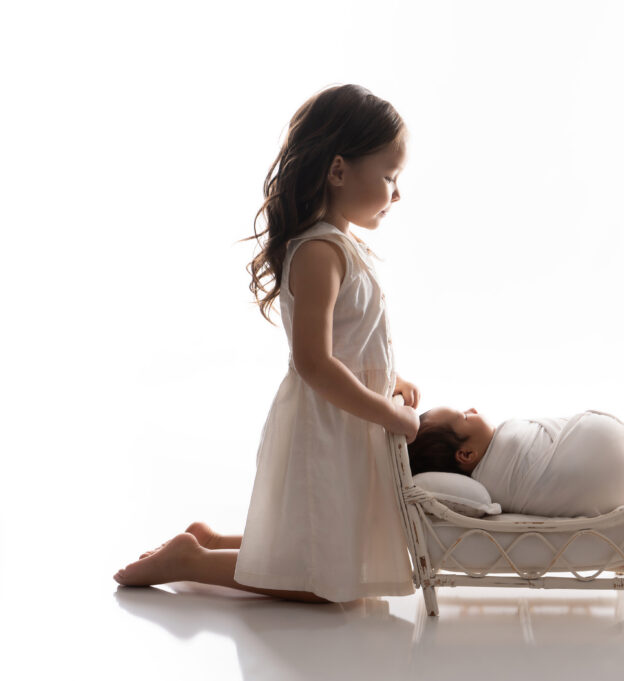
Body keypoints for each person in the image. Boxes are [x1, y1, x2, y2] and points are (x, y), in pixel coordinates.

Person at [114, 85, 421, 603]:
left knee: (324, 551)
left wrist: (390, 381)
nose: (397, 193)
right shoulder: (320, 252)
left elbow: (353, 338)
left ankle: (208, 541)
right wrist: (386, 413)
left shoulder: (343, 245)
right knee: (319, 580)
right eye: (389, 177)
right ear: (339, 171)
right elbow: (315, 363)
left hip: (347, 418)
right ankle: (192, 561)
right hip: (328, 420)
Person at [410, 407, 624, 517]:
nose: (472, 410)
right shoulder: (503, 451)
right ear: (467, 454)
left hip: (611, 477)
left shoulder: (489, 483)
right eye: (465, 416)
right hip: (608, 457)